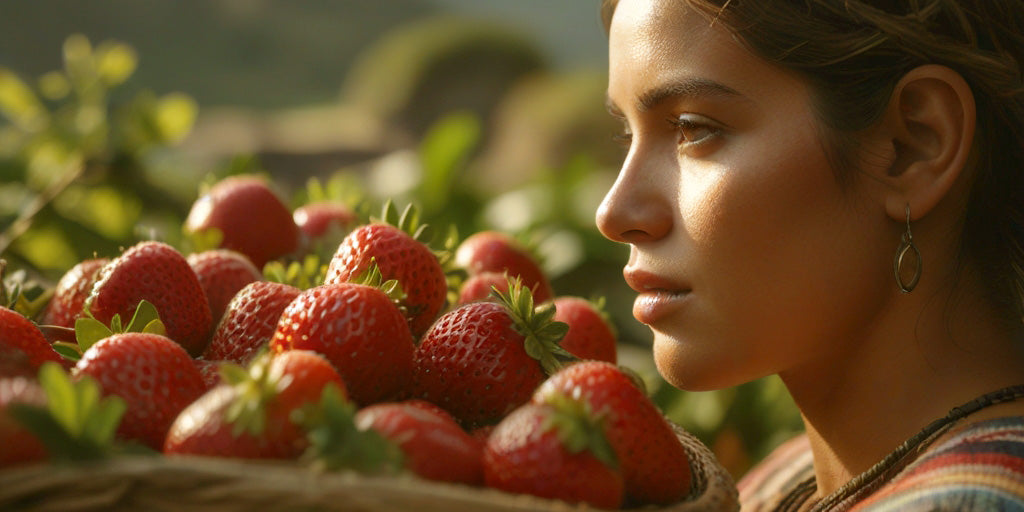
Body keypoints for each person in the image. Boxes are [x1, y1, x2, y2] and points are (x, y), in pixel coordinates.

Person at [596, 0, 1024, 510]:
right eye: (626, 136)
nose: (614, 212)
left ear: (911, 146)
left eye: (693, 128)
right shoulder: (790, 476)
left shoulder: (970, 501)